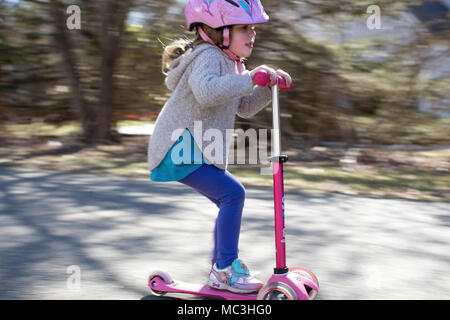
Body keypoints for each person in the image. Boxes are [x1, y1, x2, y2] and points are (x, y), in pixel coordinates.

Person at [148, 0, 292, 294]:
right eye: (244, 28)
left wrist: (266, 86)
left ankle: (221, 264)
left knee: (228, 198)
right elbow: (207, 92)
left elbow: (244, 107)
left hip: (195, 148)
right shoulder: (207, 56)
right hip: (178, 146)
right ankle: (224, 268)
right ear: (218, 31)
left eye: (252, 28)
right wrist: (250, 77)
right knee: (232, 193)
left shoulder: (233, 62)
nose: (252, 34)